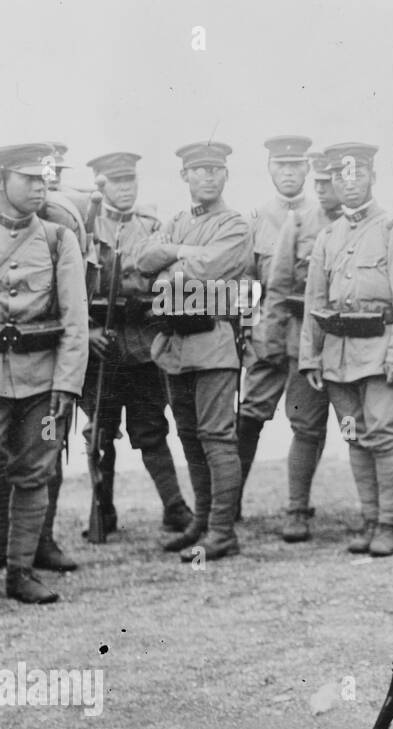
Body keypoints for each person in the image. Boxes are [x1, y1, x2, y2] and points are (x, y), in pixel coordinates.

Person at [300, 142, 393, 557]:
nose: (348, 184)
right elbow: (314, 302)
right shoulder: (327, 236)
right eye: (340, 176)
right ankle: (369, 519)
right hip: (338, 356)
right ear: (332, 181)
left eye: (356, 174)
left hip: (381, 354)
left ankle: (389, 524)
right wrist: (310, 356)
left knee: (385, 438)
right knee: (355, 438)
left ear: (373, 176)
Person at [139, 140, 253, 562]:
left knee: (217, 438)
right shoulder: (175, 221)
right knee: (189, 436)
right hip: (173, 345)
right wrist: (177, 253)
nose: (208, 176)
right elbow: (142, 260)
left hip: (213, 342)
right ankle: (201, 521)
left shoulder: (235, 225)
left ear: (226, 174)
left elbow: (208, 270)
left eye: (215, 169)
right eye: (199, 170)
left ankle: (222, 531)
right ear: (184, 176)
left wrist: (170, 263)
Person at [81, 151, 193, 535]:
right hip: (101, 349)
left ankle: (175, 508)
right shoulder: (84, 227)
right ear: (100, 184)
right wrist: (86, 331)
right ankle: (103, 511)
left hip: (144, 346)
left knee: (151, 429)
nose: (126, 188)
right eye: (117, 181)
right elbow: (69, 290)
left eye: (131, 180)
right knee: (100, 432)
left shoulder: (152, 226)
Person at [0, 142, 90, 602]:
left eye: (43, 179)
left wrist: (67, 384)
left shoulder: (59, 239)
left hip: (43, 381)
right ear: (3, 180)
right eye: (28, 178)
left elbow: (76, 321)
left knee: (34, 472)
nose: (39, 187)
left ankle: (20, 572)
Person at [257, 150, 341, 542]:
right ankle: (297, 509)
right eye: (319, 183)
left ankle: (379, 518)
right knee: (306, 427)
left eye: (331, 181)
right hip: (302, 342)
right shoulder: (300, 221)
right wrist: (271, 340)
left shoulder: (375, 227)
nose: (324, 190)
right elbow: (277, 286)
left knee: (366, 433)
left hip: (357, 346)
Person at [235, 135, 314, 518]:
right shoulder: (255, 220)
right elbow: (245, 283)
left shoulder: (323, 216)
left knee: (306, 421)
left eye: (296, 165)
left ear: (308, 169)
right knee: (249, 416)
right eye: (281, 165)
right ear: (269, 169)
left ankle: (298, 509)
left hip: (305, 336)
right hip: (266, 336)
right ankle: (228, 504)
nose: (288, 172)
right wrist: (249, 333)